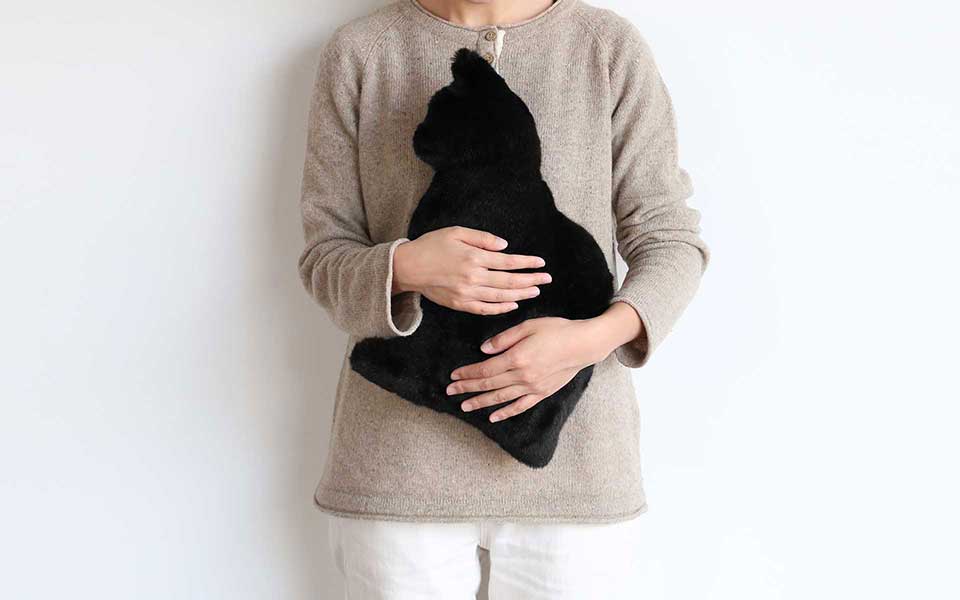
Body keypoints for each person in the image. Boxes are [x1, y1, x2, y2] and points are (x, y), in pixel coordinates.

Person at [297, 0, 709, 597]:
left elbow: (670, 241)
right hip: (399, 469)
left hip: (576, 473)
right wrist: (406, 266)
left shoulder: (607, 49)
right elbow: (324, 256)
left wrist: (589, 341)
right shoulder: (361, 52)